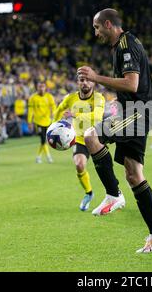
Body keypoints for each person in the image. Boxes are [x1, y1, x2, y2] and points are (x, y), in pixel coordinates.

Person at [77, 8, 152, 253]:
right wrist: (116, 103)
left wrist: (96, 77)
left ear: (108, 24)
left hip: (139, 111)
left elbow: (132, 84)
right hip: (135, 109)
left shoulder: (126, 45)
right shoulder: (121, 45)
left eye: (97, 27)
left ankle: (114, 195)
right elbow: (128, 88)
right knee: (134, 174)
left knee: (90, 136)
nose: (95, 33)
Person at [53, 75, 105, 211]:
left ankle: (114, 194)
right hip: (80, 139)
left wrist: (76, 115)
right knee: (79, 164)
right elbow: (59, 110)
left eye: (88, 80)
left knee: (105, 170)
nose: (85, 83)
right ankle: (89, 193)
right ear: (78, 82)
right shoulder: (70, 98)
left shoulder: (98, 97)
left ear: (93, 82)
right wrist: (54, 127)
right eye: (82, 80)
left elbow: (98, 115)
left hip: (97, 138)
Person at [27, 82, 56, 163]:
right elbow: (30, 111)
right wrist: (29, 122)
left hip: (47, 121)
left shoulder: (49, 97)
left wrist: (54, 114)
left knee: (45, 140)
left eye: (43, 87)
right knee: (43, 139)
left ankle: (38, 157)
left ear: (45, 88)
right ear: (37, 88)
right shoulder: (32, 98)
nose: (41, 88)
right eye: (40, 87)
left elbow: (53, 107)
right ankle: (48, 157)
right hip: (38, 122)